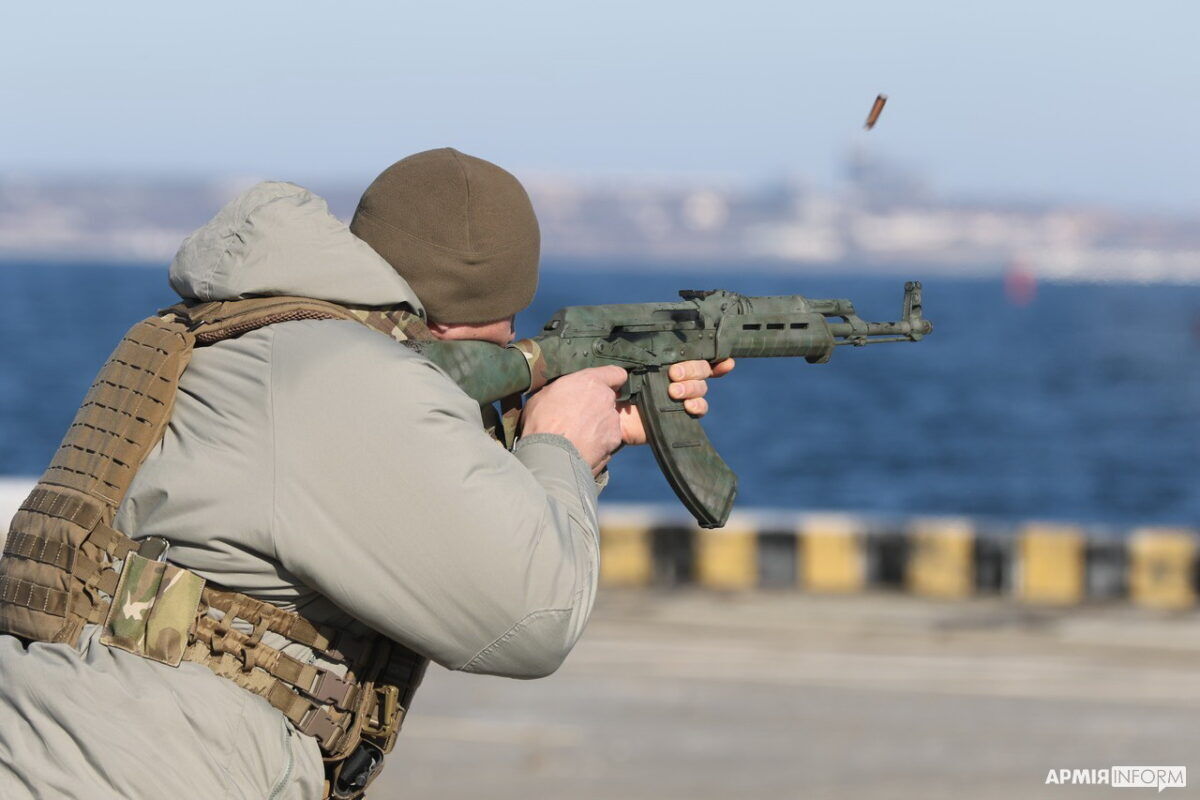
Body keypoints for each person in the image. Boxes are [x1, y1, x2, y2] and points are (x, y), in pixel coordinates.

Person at [0, 148, 732, 799]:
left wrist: (580, 445)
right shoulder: (343, 376)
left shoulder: (243, 335)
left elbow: (405, 507)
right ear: (460, 323)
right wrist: (558, 444)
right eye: (509, 323)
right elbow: (533, 618)